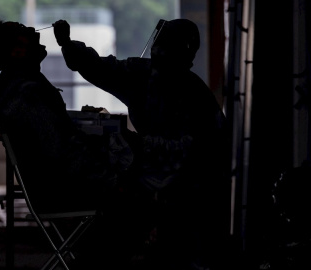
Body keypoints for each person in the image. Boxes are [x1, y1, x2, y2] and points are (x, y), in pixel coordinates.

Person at [53, 18, 232, 269]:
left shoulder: (149, 78)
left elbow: (198, 151)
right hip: (186, 183)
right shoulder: (168, 82)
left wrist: (68, 45)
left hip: (191, 185)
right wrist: (68, 45)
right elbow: (99, 67)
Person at [0, 18, 132, 215]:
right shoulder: (27, 93)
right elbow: (63, 151)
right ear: (16, 50)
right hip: (66, 192)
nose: (33, 30)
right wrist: (113, 181)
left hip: (56, 188)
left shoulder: (16, 88)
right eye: (24, 30)